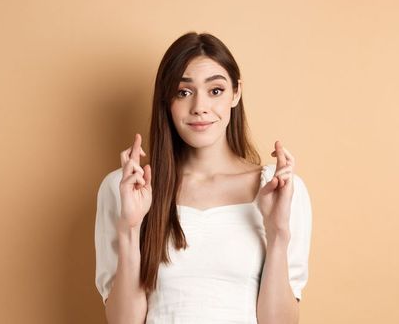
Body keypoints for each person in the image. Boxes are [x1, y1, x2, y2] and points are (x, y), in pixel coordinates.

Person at [94, 32, 312, 323]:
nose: (199, 107)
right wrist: (130, 230)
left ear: (236, 93)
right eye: (183, 92)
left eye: (215, 90)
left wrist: (278, 233)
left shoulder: (280, 190)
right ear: (166, 100)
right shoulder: (127, 189)